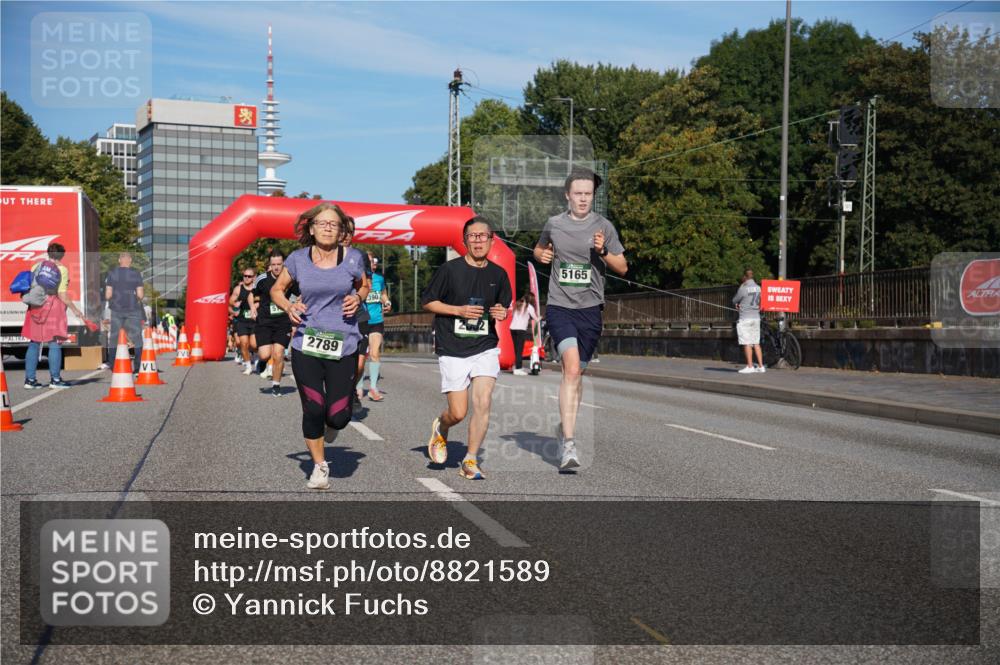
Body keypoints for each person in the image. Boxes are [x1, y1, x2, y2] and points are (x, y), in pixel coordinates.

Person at [270, 203, 369, 490]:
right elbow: (277, 289)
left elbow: (363, 285)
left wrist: (359, 298)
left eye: (333, 224)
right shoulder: (298, 260)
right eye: (322, 223)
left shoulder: (353, 258)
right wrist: (289, 305)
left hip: (344, 344)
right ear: (311, 228)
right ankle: (319, 465)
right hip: (307, 343)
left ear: (341, 231)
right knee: (313, 408)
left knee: (338, 416)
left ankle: (331, 427)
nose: (327, 227)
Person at [534, 169, 627, 471]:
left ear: (592, 196)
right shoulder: (555, 224)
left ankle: (566, 426)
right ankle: (568, 445)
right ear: (568, 195)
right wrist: (541, 256)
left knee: (579, 374)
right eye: (578, 193)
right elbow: (540, 248)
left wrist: (602, 251)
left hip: (590, 310)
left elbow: (622, 267)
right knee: (570, 368)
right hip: (560, 306)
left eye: (588, 193)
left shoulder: (604, 226)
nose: (583, 198)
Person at [423, 217, 511, 480]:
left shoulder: (499, 274)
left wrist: (501, 312)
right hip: (452, 346)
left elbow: (504, 307)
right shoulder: (449, 270)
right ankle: (442, 426)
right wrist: (457, 310)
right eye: (472, 236)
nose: (478, 241)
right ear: (464, 241)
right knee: (458, 412)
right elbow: (428, 302)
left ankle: (470, 459)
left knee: (483, 402)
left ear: (491, 240)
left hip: (485, 346)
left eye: (482, 236)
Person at [22, 243, 86, 389]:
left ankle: (30, 380)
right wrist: (75, 310)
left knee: (34, 343)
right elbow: (62, 294)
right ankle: (55, 380)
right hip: (52, 308)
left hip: (35, 307)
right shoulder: (61, 270)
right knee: (54, 343)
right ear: (62, 256)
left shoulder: (36, 266)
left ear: (48, 253)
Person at [253, 250, 298, 396]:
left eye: (279, 264)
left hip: (283, 322)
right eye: (274, 265)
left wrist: (299, 301)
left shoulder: (290, 279)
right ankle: (262, 362)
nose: (277, 267)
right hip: (264, 322)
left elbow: (303, 292)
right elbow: (251, 295)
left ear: (283, 263)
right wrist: (253, 307)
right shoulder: (262, 279)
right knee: (265, 354)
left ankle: (276, 385)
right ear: (269, 265)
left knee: (278, 354)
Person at [356, 253, 391, 401]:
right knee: (360, 359)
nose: (373, 264)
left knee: (375, 353)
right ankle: (358, 387)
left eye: (374, 261)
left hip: (376, 321)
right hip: (361, 322)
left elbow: (383, 294)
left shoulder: (379, 279)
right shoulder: (357, 279)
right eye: (370, 261)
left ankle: (373, 388)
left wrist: (387, 302)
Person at [103, 251, 145, 374]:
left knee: (114, 337)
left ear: (119, 261)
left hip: (116, 309)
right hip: (133, 309)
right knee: (137, 338)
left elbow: (108, 295)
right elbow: (140, 295)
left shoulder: (112, 274)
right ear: (130, 261)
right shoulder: (136, 274)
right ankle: (137, 368)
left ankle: (114, 367)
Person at [734, 268, 764, 374]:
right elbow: (760, 301)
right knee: (756, 342)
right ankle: (761, 366)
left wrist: (738, 304)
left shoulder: (743, 287)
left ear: (744, 277)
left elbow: (735, 300)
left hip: (745, 318)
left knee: (746, 342)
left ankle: (750, 366)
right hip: (756, 318)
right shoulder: (758, 287)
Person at [229, 266, 258, 374]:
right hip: (242, 320)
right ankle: (248, 366)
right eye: (245, 276)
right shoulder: (238, 289)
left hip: (255, 320)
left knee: (254, 345)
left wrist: (256, 305)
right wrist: (234, 304)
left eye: (249, 276)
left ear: (254, 277)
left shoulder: (257, 288)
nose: (246, 278)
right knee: (243, 343)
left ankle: (255, 354)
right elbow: (231, 300)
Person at [509, 293, 538, 376]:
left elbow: (512, 315)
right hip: (521, 330)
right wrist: (540, 318)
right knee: (519, 350)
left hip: (512, 328)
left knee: (516, 349)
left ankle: (517, 366)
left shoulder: (517, 304)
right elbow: (535, 318)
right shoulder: (529, 307)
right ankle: (518, 369)